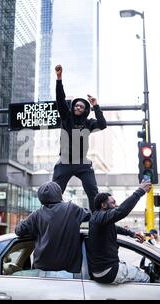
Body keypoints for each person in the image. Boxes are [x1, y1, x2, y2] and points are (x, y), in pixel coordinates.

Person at [53, 65, 107, 212]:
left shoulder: (89, 123)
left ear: (85, 110)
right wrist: (59, 78)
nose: (77, 107)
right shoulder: (66, 117)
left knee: (93, 192)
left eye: (81, 107)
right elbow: (60, 99)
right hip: (64, 162)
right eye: (76, 105)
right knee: (53, 193)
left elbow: (102, 125)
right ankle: (51, 217)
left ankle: (96, 218)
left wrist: (96, 106)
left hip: (82, 163)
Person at [15, 181, 91, 273]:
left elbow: (19, 230)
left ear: (40, 197)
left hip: (41, 269)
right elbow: (88, 215)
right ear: (59, 193)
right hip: (68, 271)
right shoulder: (71, 209)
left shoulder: (36, 215)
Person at [86, 179, 152, 284]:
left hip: (102, 271)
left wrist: (132, 234)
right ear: (103, 205)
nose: (116, 205)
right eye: (113, 203)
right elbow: (120, 211)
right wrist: (140, 191)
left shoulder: (98, 219)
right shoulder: (100, 217)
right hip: (108, 271)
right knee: (146, 278)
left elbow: (115, 228)